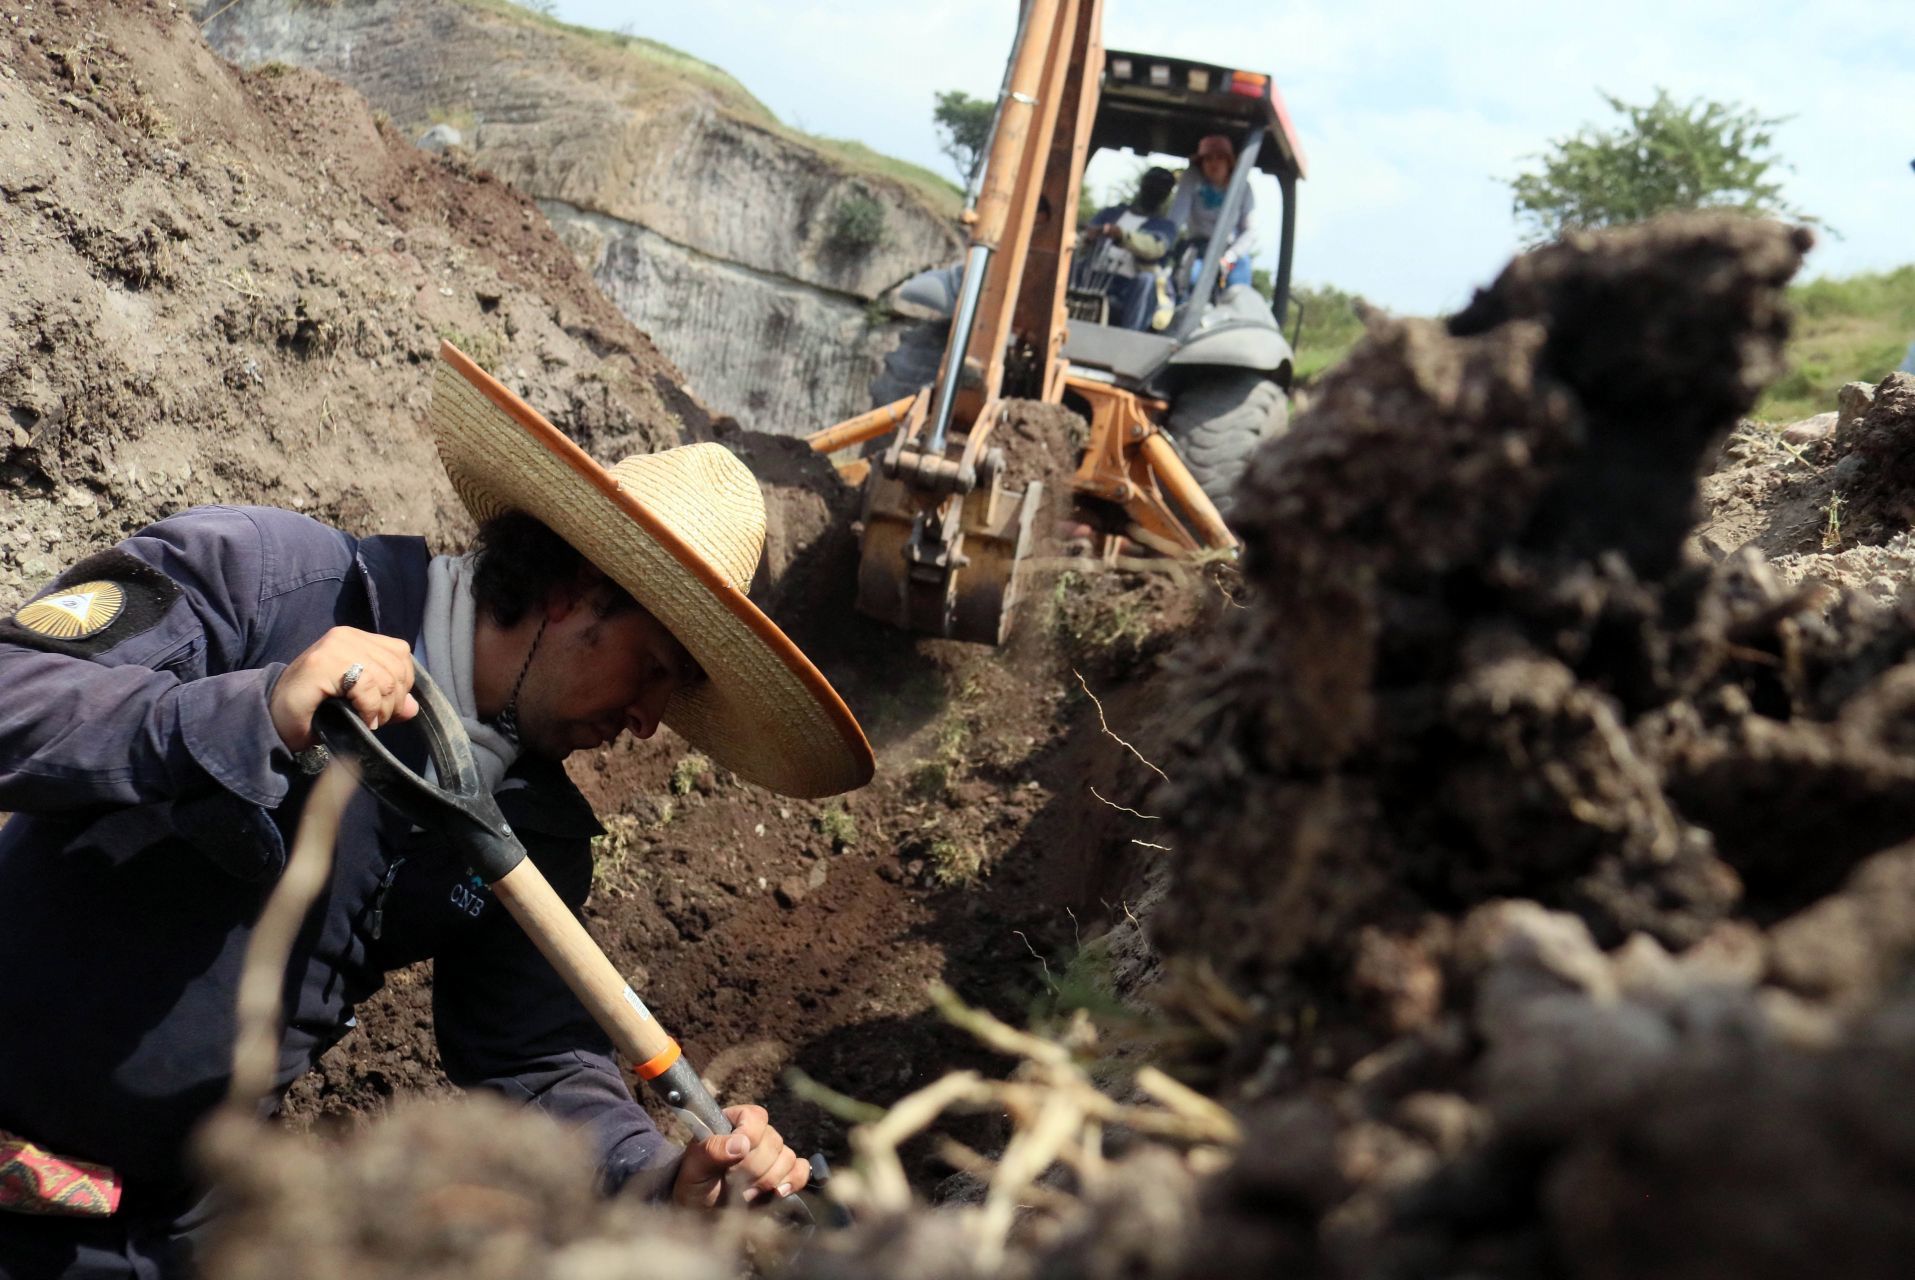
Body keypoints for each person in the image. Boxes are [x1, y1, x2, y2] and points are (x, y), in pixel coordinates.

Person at [0, 344, 875, 1277]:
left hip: (159, 1236)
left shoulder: (530, 832)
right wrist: (247, 712)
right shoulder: (275, 586)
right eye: (654, 668)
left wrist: (659, 1177)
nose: (650, 722)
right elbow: (17, 694)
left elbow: (536, 1060)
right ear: (575, 589)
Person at [1083, 166, 1180, 331]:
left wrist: (1121, 235)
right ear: (1142, 184)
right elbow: (1086, 234)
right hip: (1094, 277)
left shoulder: (1165, 227)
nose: (1155, 191)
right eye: (1151, 184)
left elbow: (1154, 248)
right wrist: (1089, 237)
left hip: (1128, 288)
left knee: (1146, 280)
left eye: (1162, 188)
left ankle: (1130, 335)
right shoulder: (1111, 213)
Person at [1167, 133, 1256, 293]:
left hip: (1231, 251)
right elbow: (1176, 217)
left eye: (1220, 158)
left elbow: (1250, 231)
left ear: (1229, 162)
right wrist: (1164, 243)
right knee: (1190, 279)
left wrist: (1229, 258)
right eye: (1208, 159)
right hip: (1198, 247)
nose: (1213, 163)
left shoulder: (1243, 188)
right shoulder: (1192, 180)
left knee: (1239, 291)